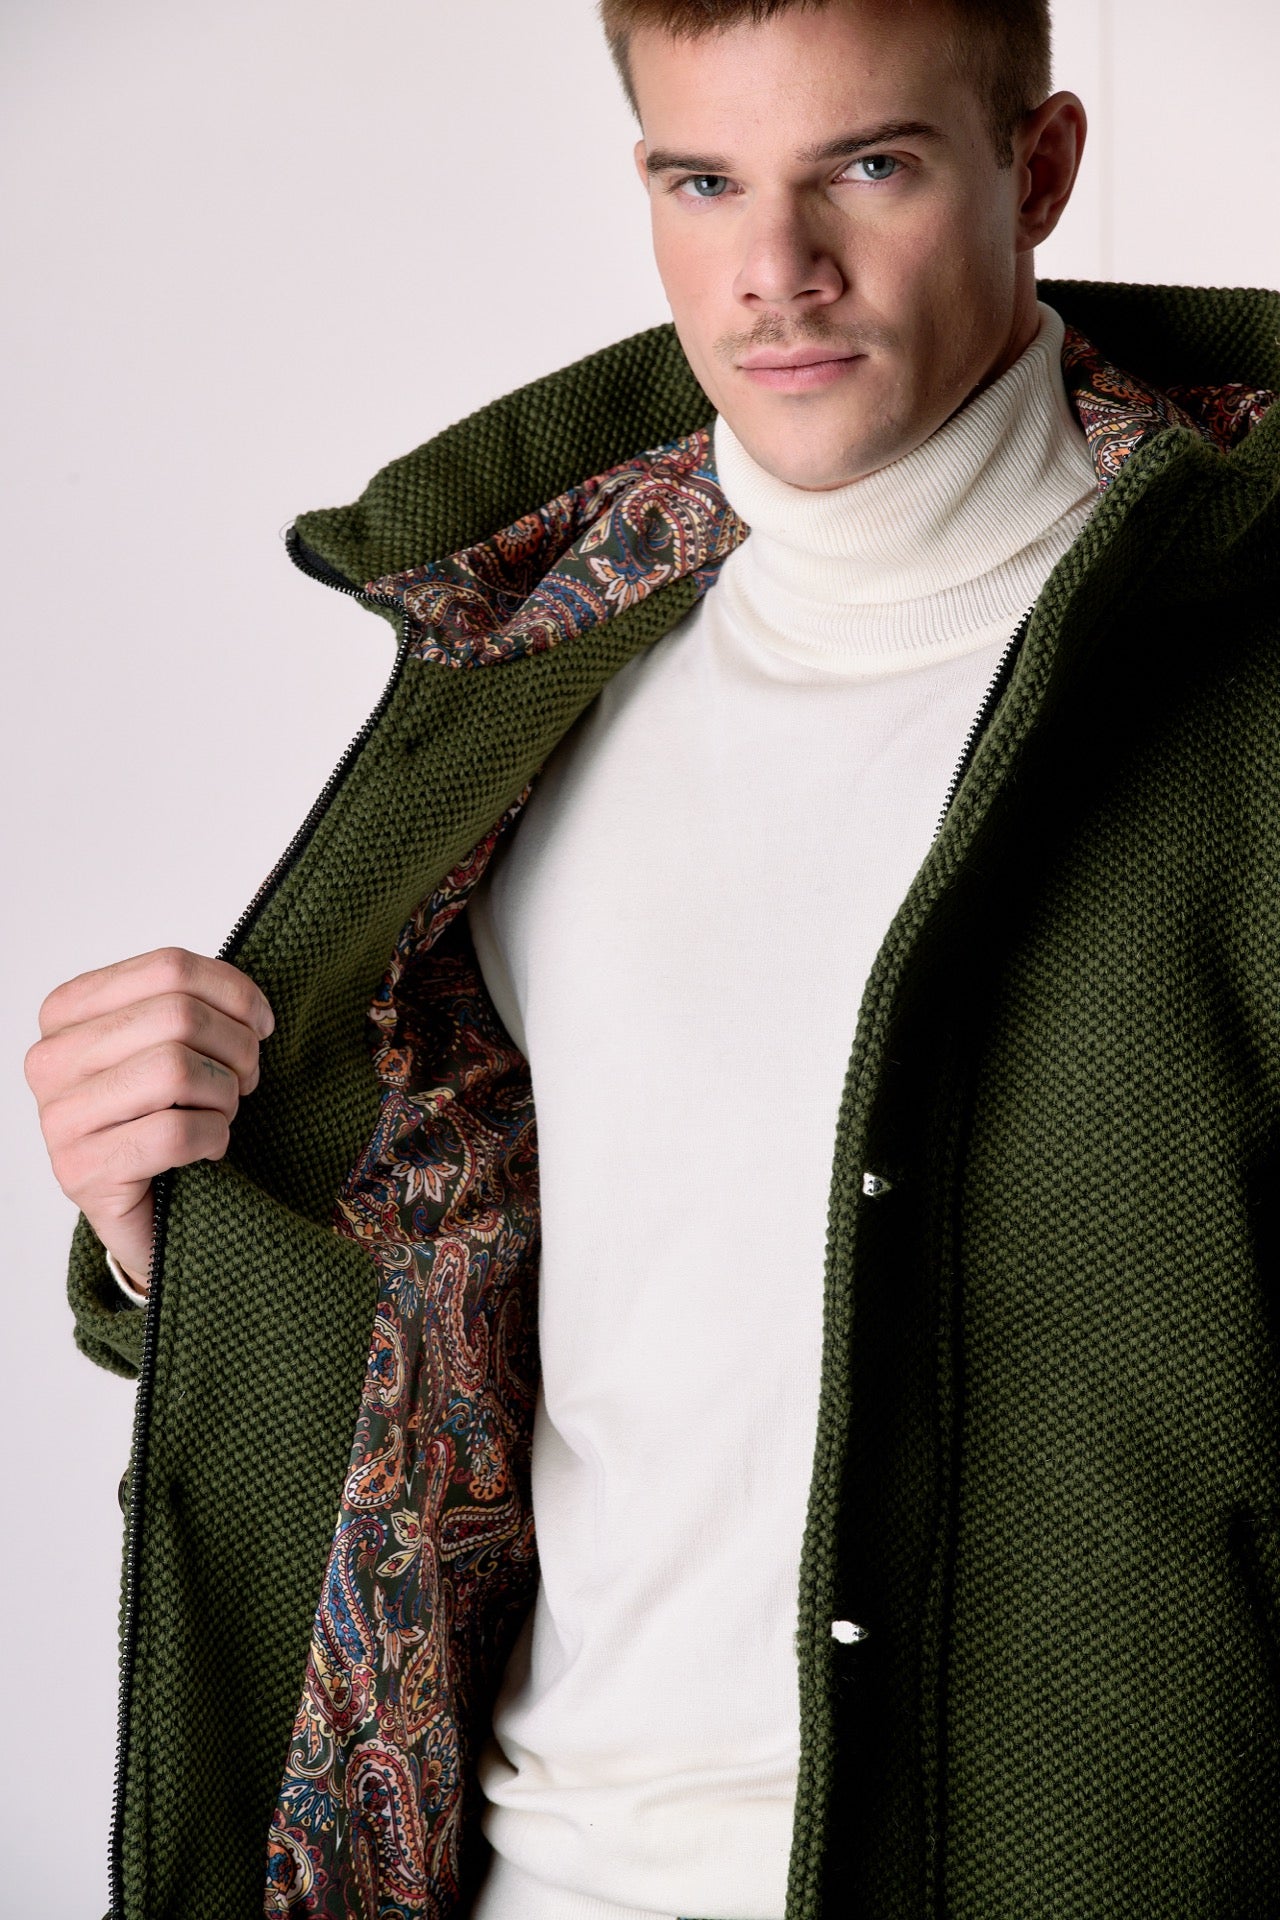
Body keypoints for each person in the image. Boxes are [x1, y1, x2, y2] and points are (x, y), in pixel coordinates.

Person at [24, 0, 1280, 1914]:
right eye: (706, 183)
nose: (777, 271)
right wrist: (175, 1228)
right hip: (528, 1873)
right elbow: (463, 1318)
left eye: (870, 166)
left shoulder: (1238, 680)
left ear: (1036, 170)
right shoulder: (529, 667)